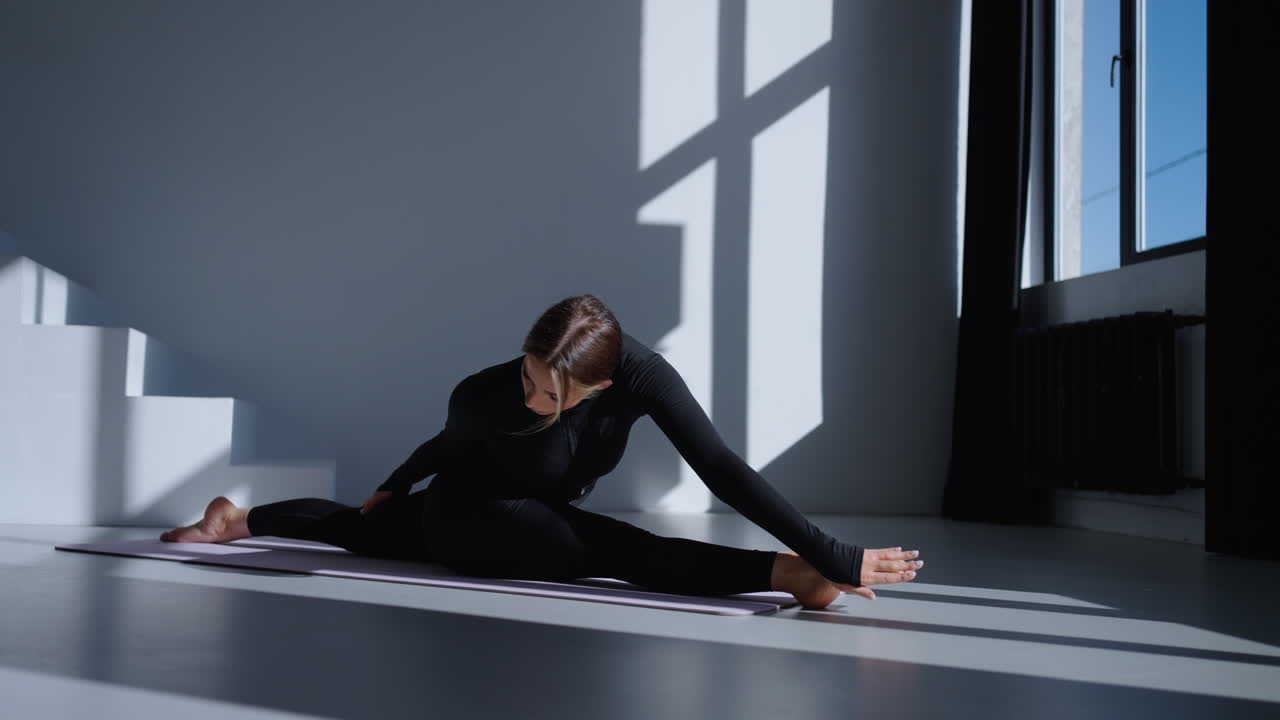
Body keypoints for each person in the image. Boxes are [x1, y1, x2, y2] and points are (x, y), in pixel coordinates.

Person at [161, 295, 924, 609]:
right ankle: (783, 576)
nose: (529, 397)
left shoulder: (644, 379)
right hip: (474, 512)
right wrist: (395, 482)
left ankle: (239, 519)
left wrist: (838, 548)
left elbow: (721, 467)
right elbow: (444, 444)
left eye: (548, 392)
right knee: (618, 549)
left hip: (518, 510)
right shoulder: (486, 393)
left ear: (595, 388)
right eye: (529, 375)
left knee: (362, 534)